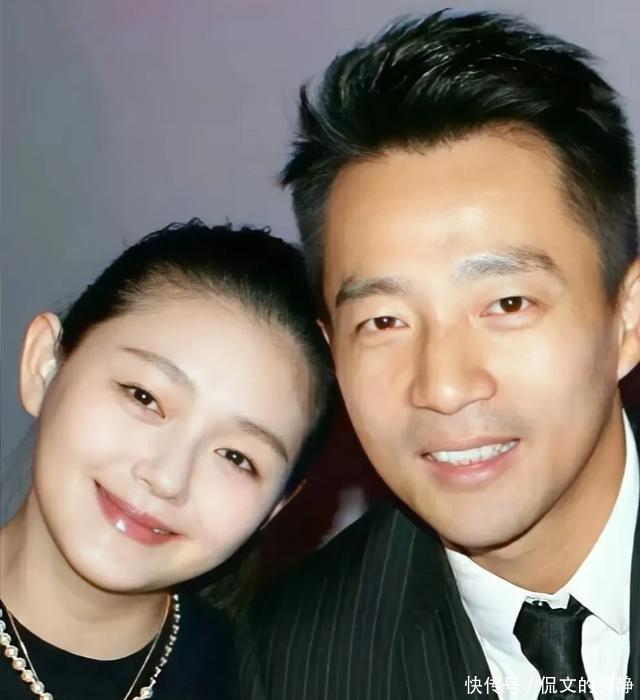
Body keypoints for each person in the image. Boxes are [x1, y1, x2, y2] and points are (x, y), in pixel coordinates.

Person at [238, 10, 640, 700]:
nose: (444, 387)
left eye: (507, 304)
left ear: (627, 319)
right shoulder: (285, 664)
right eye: (384, 321)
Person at [0, 218, 332, 699]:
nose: (167, 477)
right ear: (45, 366)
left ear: (276, 507)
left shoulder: (267, 684)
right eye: (144, 396)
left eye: (236, 457)